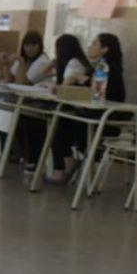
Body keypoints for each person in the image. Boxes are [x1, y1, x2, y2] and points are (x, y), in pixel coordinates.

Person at [0, 30, 53, 171]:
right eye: (27, 45)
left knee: (22, 118)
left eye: (33, 45)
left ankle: (22, 154)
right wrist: (5, 64)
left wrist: (21, 64)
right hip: (24, 101)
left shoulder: (42, 61)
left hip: (38, 103)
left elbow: (22, 84)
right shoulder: (26, 59)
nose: (29, 49)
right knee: (1, 111)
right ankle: (13, 152)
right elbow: (9, 79)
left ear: (40, 46)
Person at [45, 33, 94, 183]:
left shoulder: (74, 63)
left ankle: (62, 167)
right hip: (77, 110)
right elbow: (44, 73)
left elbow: (64, 88)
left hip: (82, 115)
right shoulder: (79, 61)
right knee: (53, 120)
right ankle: (65, 162)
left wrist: (55, 87)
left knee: (54, 124)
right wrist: (53, 63)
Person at [88, 33, 126, 103]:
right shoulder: (101, 65)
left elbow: (98, 92)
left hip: (105, 109)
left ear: (104, 49)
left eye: (94, 44)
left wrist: (83, 79)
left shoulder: (105, 66)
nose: (89, 47)